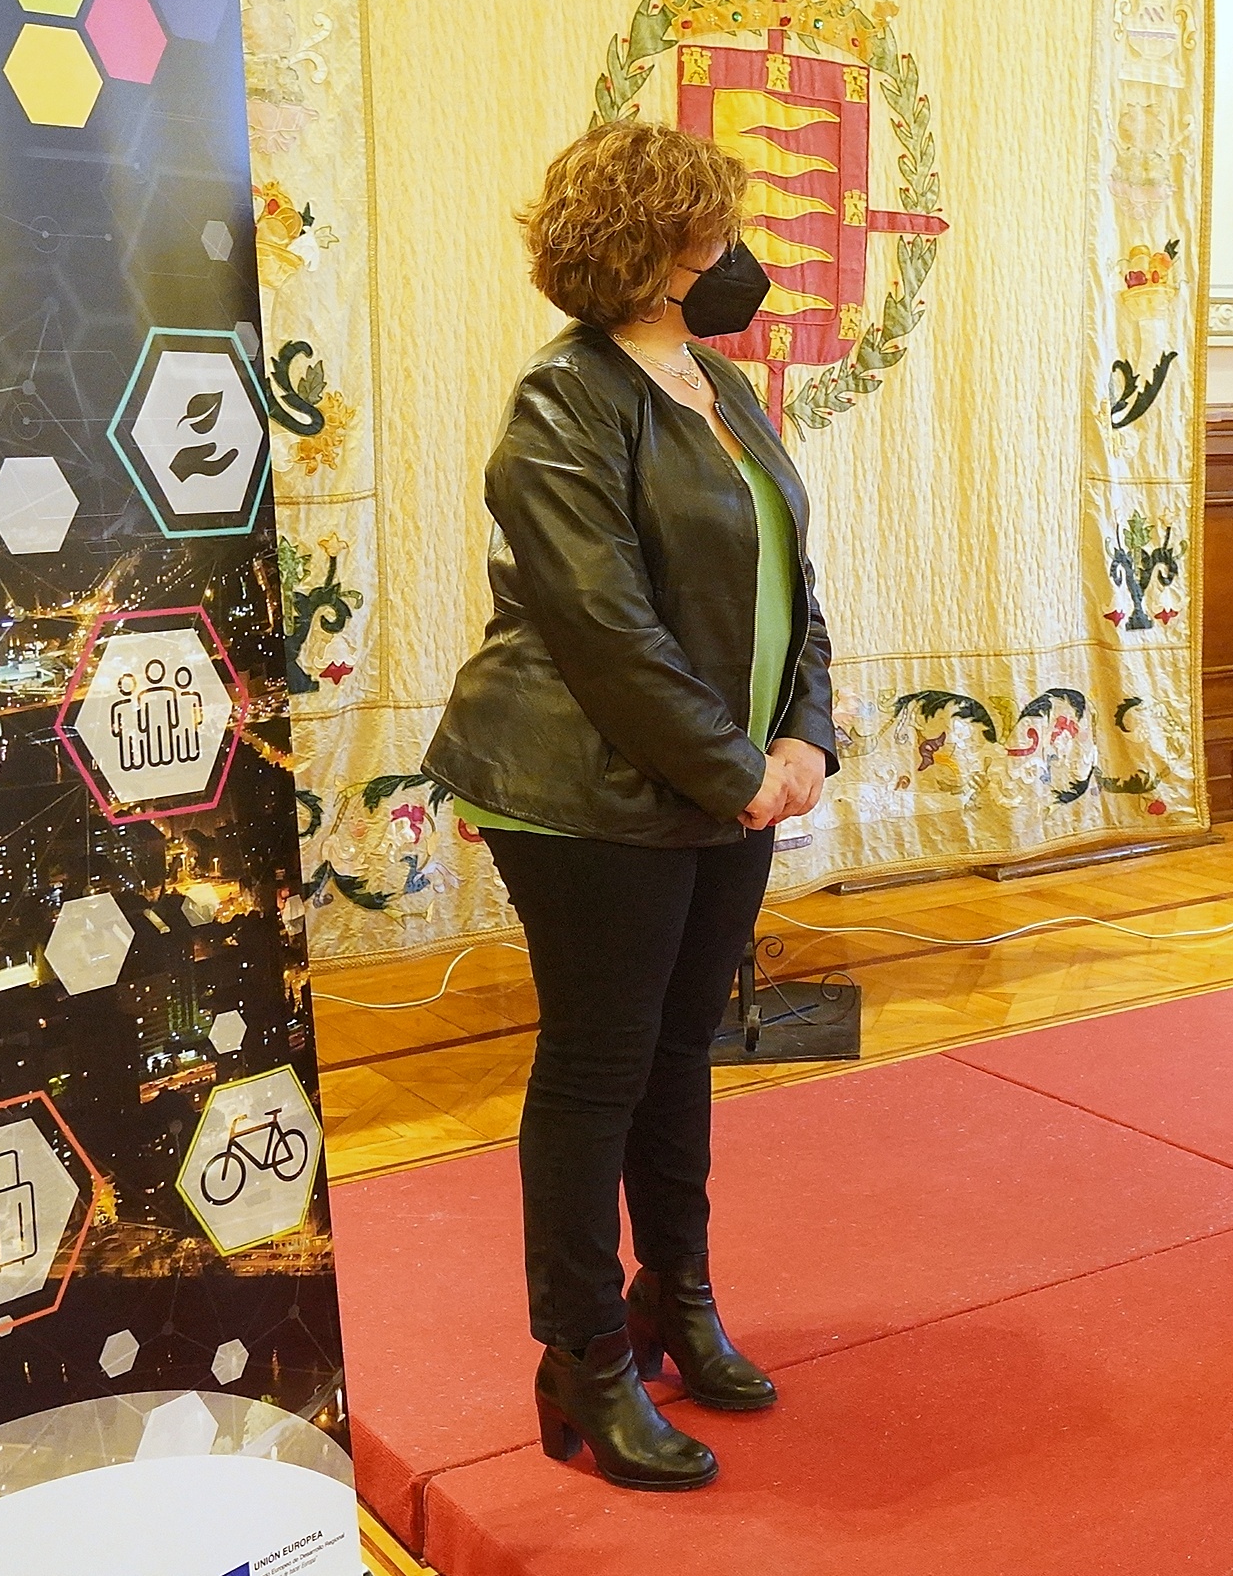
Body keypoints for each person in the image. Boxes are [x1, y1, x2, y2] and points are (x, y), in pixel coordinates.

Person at [424, 120, 838, 1491]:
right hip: (586, 792)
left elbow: (789, 579)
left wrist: (805, 733)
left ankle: (679, 1297)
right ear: (656, 250)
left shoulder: (720, 383)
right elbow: (602, 629)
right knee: (599, 1066)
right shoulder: (564, 400)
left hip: (717, 781)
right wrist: (737, 768)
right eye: (712, 233)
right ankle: (585, 1355)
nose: (736, 255)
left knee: (678, 1052)